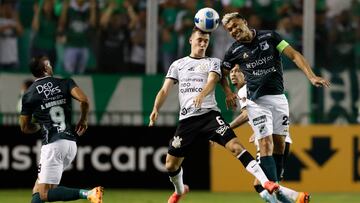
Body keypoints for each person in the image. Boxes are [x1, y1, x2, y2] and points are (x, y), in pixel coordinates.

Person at [149, 27, 280, 203]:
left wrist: (204, 94)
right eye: (199, 40)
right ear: (191, 40)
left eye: (206, 41)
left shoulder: (213, 62)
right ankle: (180, 190)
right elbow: (164, 90)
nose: (202, 43)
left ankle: (267, 183)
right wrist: (156, 109)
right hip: (187, 120)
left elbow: (213, 80)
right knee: (170, 164)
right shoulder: (178, 65)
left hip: (210, 116)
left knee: (236, 147)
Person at [220, 12, 330, 202]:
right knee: (265, 144)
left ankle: (277, 193)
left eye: (236, 26)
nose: (234, 31)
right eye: (229, 30)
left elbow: (294, 55)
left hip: (278, 99)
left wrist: (311, 76)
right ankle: (279, 194)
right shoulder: (234, 51)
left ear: (245, 22)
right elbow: (222, 73)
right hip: (256, 102)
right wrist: (229, 92)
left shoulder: (270, 37)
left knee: (279, 144)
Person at [19, 56, 103, 203]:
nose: (51, 66)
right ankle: (88, 194)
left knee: (45, 193)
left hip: (52, 144)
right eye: (49, 64)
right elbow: (84, 100)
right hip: (70, 143)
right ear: (45, 68)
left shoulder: (29, 94)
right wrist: (83, 119)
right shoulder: (65, 82)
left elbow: (24, 127)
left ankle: (88, 194)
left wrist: (38, 125)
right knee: (38, 189)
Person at [228, 65, 310, 203]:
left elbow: (246, 114)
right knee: (267, 184)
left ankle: (298, 197)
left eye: (238, 71)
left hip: (269, 143)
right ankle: (297, 197)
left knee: (263, 184)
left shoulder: (245, 90)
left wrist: (226, 128)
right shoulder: (256, 90)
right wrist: (258, 128)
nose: (233, 74)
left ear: (246, 74)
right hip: (283, 140)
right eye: (231, 71)